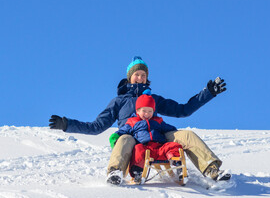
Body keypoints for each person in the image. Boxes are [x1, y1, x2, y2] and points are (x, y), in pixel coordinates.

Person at [49, 56, 230, 185]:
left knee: (187, 135)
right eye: (137, 74)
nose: (140, 77)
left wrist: (208, 93)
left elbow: (183, 110)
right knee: (124, 139)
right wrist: (66, 124)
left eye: (143, 75)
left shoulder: (154, 99)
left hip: (157, 134)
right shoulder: (119, 102)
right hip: (132, 136)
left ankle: (212, 170)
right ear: (130, 77)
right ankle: (115, 172)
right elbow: (96, 127)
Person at [112, 90, 183, 184]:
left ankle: (177, 164)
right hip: (145, 149)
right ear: (137, 111)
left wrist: (174, 131)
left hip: (160, 148)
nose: (147, 114)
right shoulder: (133, 122)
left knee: (173, 145)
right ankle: (137, 172)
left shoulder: (158, 121)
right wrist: (115, 136)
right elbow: (123, 130)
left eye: (150, 111)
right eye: (144, 111)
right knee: (137, 149)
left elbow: (169, 128)